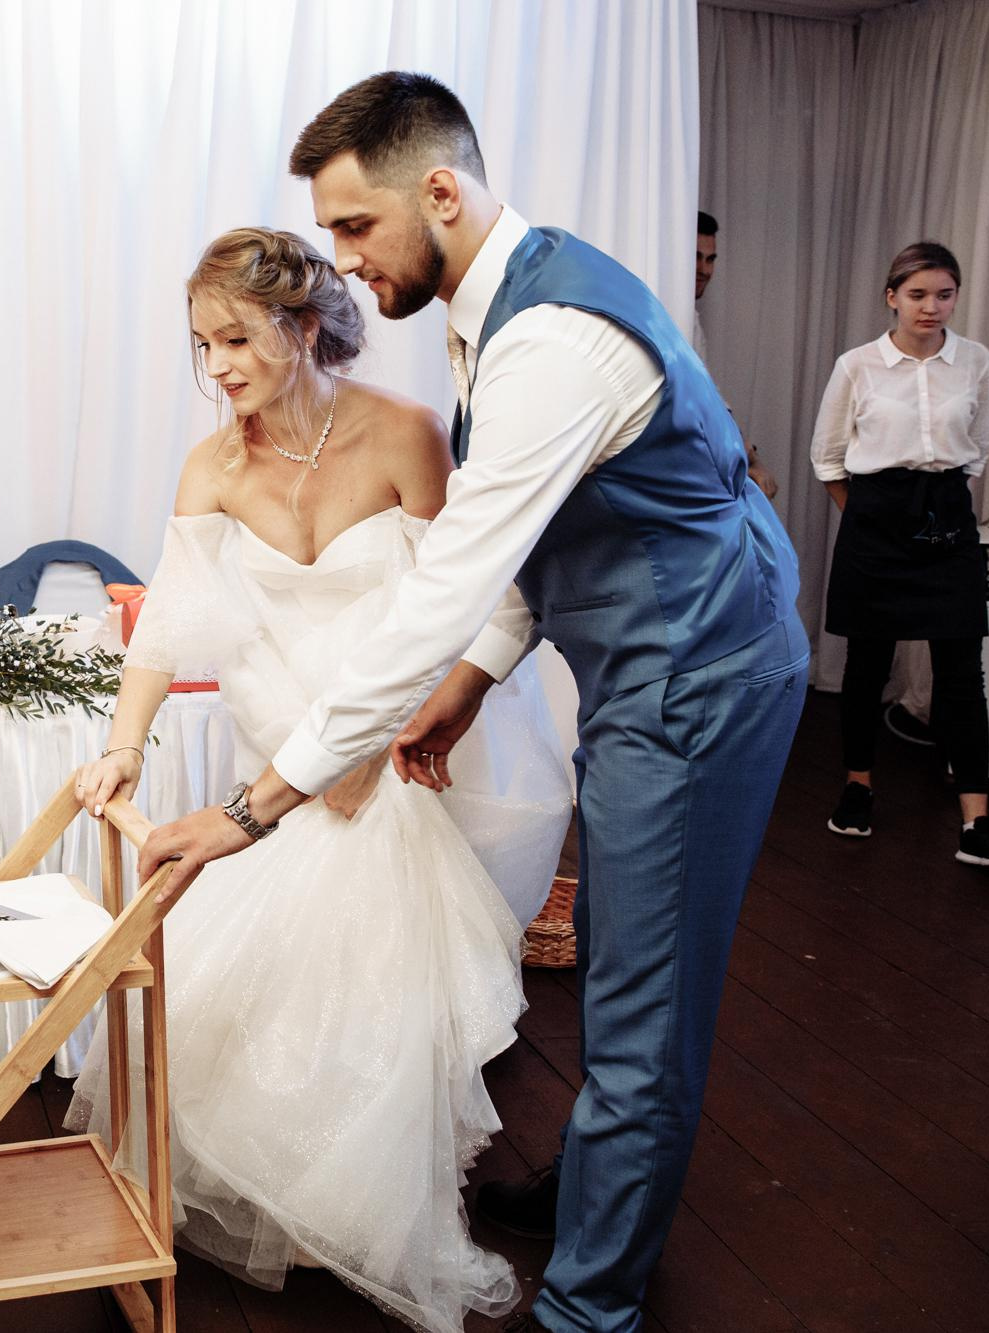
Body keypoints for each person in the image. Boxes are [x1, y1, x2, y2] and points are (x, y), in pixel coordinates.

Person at [137, 72, 807, 1333]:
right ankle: (593, 1189)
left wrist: (258, 801)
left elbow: (446, 581)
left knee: (644, 1007)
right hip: (639, 651)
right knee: (618, 945)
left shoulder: (548, 341)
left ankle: (590, 1303)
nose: (337, 262)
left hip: (697, 667)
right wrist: (461, 698)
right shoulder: (495, 302)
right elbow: (517, 557)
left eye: (352, 228)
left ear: (437, 191)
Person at [66, 225, 574, 1331]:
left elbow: (464, 604)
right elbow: (164, 625)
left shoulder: (403, 434)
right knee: (232, 990)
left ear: (302, 327)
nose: (222, 369)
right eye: (204, 347)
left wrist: (368, 748)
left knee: (371, 976)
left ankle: (361, 1206)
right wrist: (122, 742)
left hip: (398, 747)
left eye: (238, 338)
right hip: (275, 749)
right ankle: (279, 1197)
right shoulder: (211, 465)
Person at [810, 241, 989, 866]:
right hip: (876, 518)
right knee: (867, 665)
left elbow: (976, 447)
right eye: (918, 295)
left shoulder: (975, 361)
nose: (932, 307)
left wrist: (936, 509)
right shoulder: (858, 366)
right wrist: (874, 523)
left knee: (963, 673)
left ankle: (978, 825)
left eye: (944, 294)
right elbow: (828, 460)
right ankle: (857, 789)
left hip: (948, 517)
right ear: (892, 297)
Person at [693, 210, 778, 499]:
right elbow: (696, 400)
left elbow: (709, 395)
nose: (704, 269)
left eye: (711, 259)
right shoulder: (661, 312)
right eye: (696, 257)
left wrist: (747, 452)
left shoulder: (688, 317)